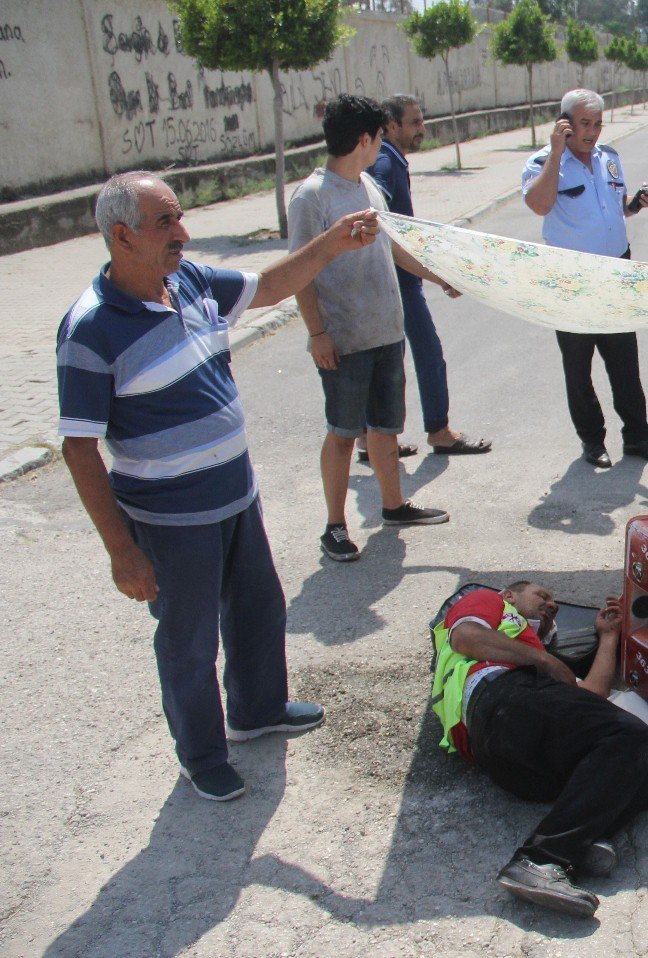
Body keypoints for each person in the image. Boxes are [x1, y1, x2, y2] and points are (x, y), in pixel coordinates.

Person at [56, 172, 380, 801]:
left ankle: (257, 710)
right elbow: (78, 448)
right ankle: (201, 755)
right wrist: (122, 550)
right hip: (170, 520)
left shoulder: (190, 281)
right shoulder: (90, 329)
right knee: (189, 640)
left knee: (259, 609)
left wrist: (333, 244)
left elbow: (270, 286)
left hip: (234, 496)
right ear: (122, 237)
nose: (183, 232)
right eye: (166, 223)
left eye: (179, 218)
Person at [431, 581, 648, 917]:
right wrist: (544, 660)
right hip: (498, 704)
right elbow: (466, 637)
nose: (552, 604)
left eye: (554, 602)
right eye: (542, 595)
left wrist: (609, 636)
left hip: (522, 761)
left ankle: (579, 842)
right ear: (510, 595)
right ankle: (543, 859)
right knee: (627, 734)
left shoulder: (533, 652)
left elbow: (593, 701)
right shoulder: (490, 604)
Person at [288, 94, 456, 563]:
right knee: (343, 432)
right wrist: (317, 333)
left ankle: (394, 505)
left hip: (385, 330)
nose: (383, 143)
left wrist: (438, 276)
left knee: (385, 427)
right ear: (364, 139)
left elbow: (392, 247)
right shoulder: (312, 197)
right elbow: (298, 270)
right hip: (343, 338)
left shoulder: (366, 184)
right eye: (380, 135)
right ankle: (335, 526)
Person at [522, 88, 648, 469]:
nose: (592, 132)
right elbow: (539, 204)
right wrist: (557, 153)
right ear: (564, 125)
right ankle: (592, 441)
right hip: (571, 278)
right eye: (584, 124)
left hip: (616, 271)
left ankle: (638, 437)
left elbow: (615, 210)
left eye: (597, 124)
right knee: (579, 365)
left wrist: (637, 202)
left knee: (625, 361)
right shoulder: (541, 162)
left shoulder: (610, 158)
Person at [367, 93, 492, 458]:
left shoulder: (391, 161)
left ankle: (365, 436)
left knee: (382, 360)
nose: (423, 129)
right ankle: (439, 430)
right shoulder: (385, 167)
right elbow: (386, 231)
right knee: (427, 352)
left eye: (422, 121)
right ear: (391, 126)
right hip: (397, 281)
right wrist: (439, 276)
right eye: (415, 123)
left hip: (395, 279)